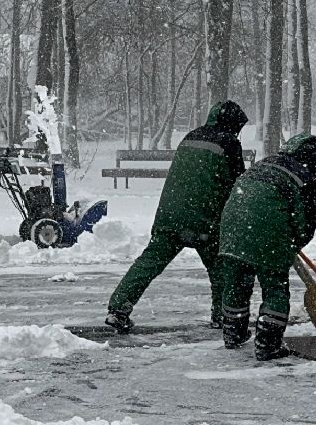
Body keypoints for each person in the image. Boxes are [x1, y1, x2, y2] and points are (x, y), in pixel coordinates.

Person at [104, 101, 249, 334]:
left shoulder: (191, 136)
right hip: (205, 218)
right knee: (220, 268)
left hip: (170, 214)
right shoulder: (229, 143)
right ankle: (221, 316)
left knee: (148, 264)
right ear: (232, 123)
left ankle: (118, 310)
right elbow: (237, 185)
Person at [215, 133, 316, 361]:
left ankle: (232, 333)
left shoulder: (264, 164)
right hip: (269, 233)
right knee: (275, 284)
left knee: (237, 280)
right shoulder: (303, 176)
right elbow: (307, 219)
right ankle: (268, 343)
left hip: (231, 226)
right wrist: (293, 242)